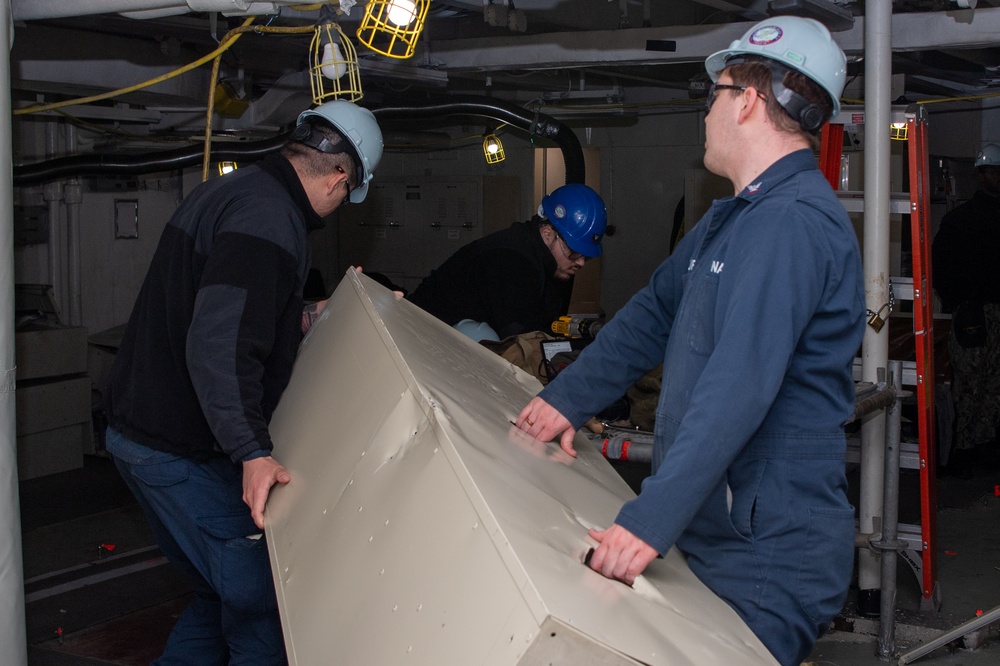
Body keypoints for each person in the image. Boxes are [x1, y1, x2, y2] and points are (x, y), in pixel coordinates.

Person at [516, 16, 863, 666]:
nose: (706, 114)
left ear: (750, 101)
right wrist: (566, 400)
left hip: (766, 549)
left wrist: (646, 523)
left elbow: (737, 387)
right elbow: (651, 315)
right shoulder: (730, 221)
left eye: (715, 95)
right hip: (717, 529)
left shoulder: (789, 226)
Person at [103, 100, 383, 664]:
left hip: (144, 432)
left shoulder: (239, 191)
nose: (338, 206)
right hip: (177, 446)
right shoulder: (269, 218)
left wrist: (317, 313)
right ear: (340, 176)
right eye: (346, 194)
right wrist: (251, 451)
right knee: (262, 598)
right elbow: (219, 343)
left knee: (218, 592)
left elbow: (240, 308)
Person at [407, 183, 607, 341]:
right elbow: (520, 345)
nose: (580, 263)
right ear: (548, 233)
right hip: (420, 337)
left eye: (586, 257)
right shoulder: (512, 262)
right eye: (574, 253)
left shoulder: (543, 260)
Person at [932, 142, 1000, 475]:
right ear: (982, 175)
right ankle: (962, 450)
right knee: (971, 382)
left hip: (991, 309)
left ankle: (984, 443)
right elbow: (942, 267)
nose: (997, 178)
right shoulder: (960, 221)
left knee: (994, 383)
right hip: (973, 313)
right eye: (993, 172)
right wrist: (961, 302)